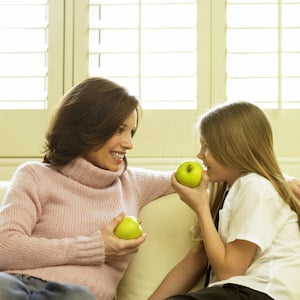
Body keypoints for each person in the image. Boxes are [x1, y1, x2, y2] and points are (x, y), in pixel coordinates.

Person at [0, 77, 174, 300]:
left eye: (131, 132)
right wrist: (95, 247)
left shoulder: (131, 183)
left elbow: (188, 177)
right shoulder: (34, 175)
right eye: (119, 130)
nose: (129, 143)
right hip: (14, 284)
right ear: (88, 127)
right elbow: (4, 247)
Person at [148, 101, 300, 300]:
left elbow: (229, 271)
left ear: (234, 148)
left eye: (207, 146)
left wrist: (201, 208)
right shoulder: (236, 189)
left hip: (259, 293)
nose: (199, 155)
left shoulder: (255, 187)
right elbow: (198, 257)